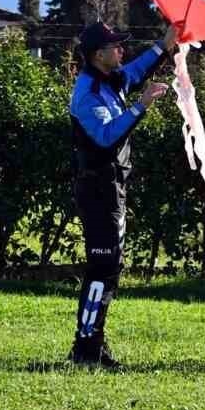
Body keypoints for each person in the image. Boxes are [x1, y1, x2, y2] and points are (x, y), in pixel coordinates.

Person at [68, 19, 180, 368]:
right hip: (97, 190)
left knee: (111, 265)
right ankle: (86, 348)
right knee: (103, 266)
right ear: (98, 54)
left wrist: (165, 45)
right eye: (115, 46)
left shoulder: (111, 78)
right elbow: (105, 137)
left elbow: (135, 71)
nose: (121, 50)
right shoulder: (87, 93)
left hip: (112, 187)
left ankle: (92, 345)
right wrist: (141, 106)